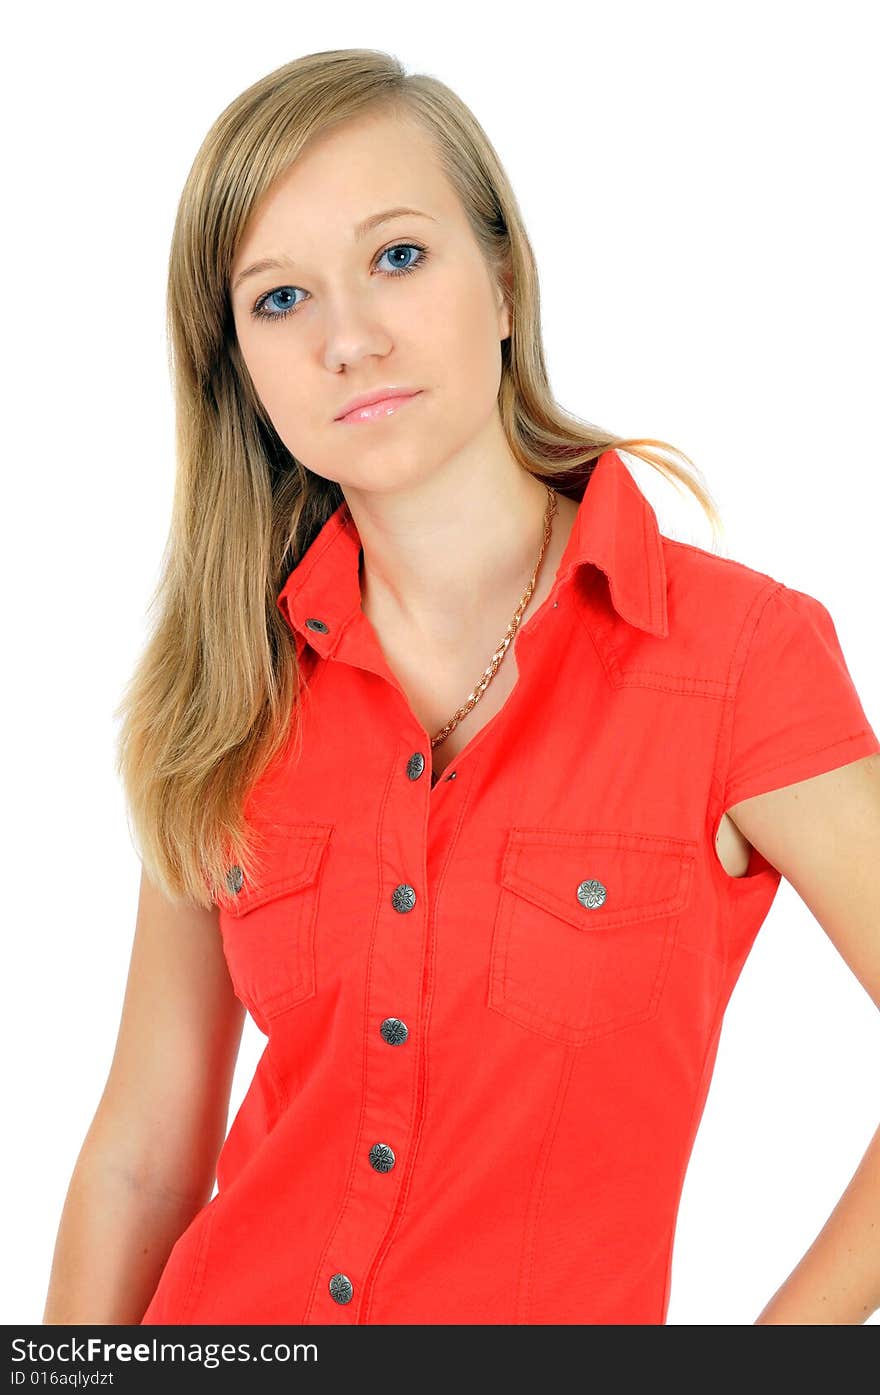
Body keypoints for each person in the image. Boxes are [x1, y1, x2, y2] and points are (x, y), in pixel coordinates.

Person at [42, 49, 880, 1327]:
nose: (348, 338)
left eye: (396, 257)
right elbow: (145, 1151)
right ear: (241, 371)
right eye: (278, 300)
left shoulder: (738, 658)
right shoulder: (223, 690)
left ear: (502, 279)